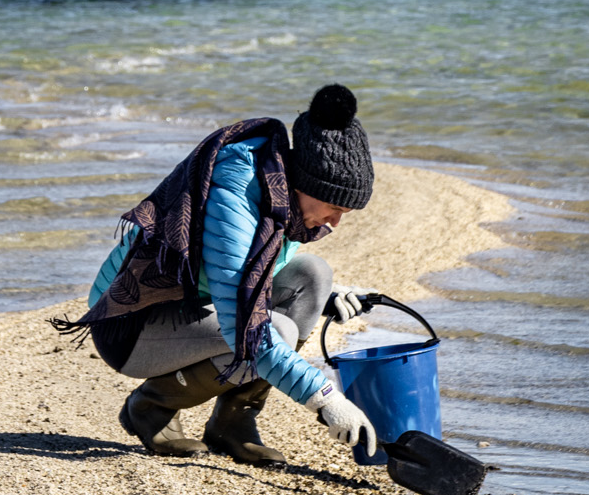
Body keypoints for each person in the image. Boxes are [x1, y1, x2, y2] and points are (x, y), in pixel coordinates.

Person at [55, 84, 380, 466]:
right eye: (332, 207)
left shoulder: (280, 191)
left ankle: (233, 424)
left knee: (314, 274)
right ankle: (153, 407)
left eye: (346, 213)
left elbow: (258, 269)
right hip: (130, 323)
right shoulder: (237, 194)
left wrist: (327, 297)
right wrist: (327, 400)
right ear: (303, 183)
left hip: (193, 304)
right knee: (278, 332)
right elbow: (247, 327)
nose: (336, 223)